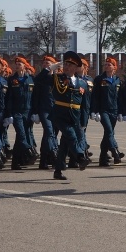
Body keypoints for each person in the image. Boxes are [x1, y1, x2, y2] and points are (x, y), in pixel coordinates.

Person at [47, 51, 90, 180]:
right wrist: (51, 68)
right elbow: (40, 80)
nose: (67, 67)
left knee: (65, 144)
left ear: (76, 67)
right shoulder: (57, 78)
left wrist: (84, 121)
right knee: (71, 136)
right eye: (65, 64)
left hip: (75, 117)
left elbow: (85, 105)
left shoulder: (82, 83)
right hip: (60, 115)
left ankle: (58, 170)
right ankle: (81, 157)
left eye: (70, 65)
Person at [91, 57, 123, 166]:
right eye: (106, 64)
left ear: (114, 67)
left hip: (114, 110)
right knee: (109, 131)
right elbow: (95, 96)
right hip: (103, 110)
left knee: (107, 134)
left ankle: (102, 159)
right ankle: (115, 152)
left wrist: (120, 112)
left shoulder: (117, 80)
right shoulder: (99, 79)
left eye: (109, 64)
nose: (107, 66)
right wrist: (95, 111)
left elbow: (119, 98)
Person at [5, 56, 36, 170]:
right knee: (21, 133)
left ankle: (16, 163)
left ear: (25, 65)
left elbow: (34, 98)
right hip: (17, 112)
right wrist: (9, 114)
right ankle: (29, 151)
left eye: (19, 64)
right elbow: (9, 98)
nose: (17, 66)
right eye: (16, 64)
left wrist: (35, 112)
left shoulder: (31, 79)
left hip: (28, 112)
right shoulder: (12, 79)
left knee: (20, 138)